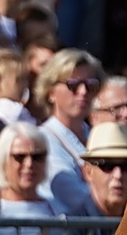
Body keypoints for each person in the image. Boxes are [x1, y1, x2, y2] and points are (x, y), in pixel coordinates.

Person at [33, 46, 102, 212]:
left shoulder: (97, 135)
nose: (83, 92)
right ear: (50, 92)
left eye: (90, 85)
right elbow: (72, 194)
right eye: (73, 85)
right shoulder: (41, 140)